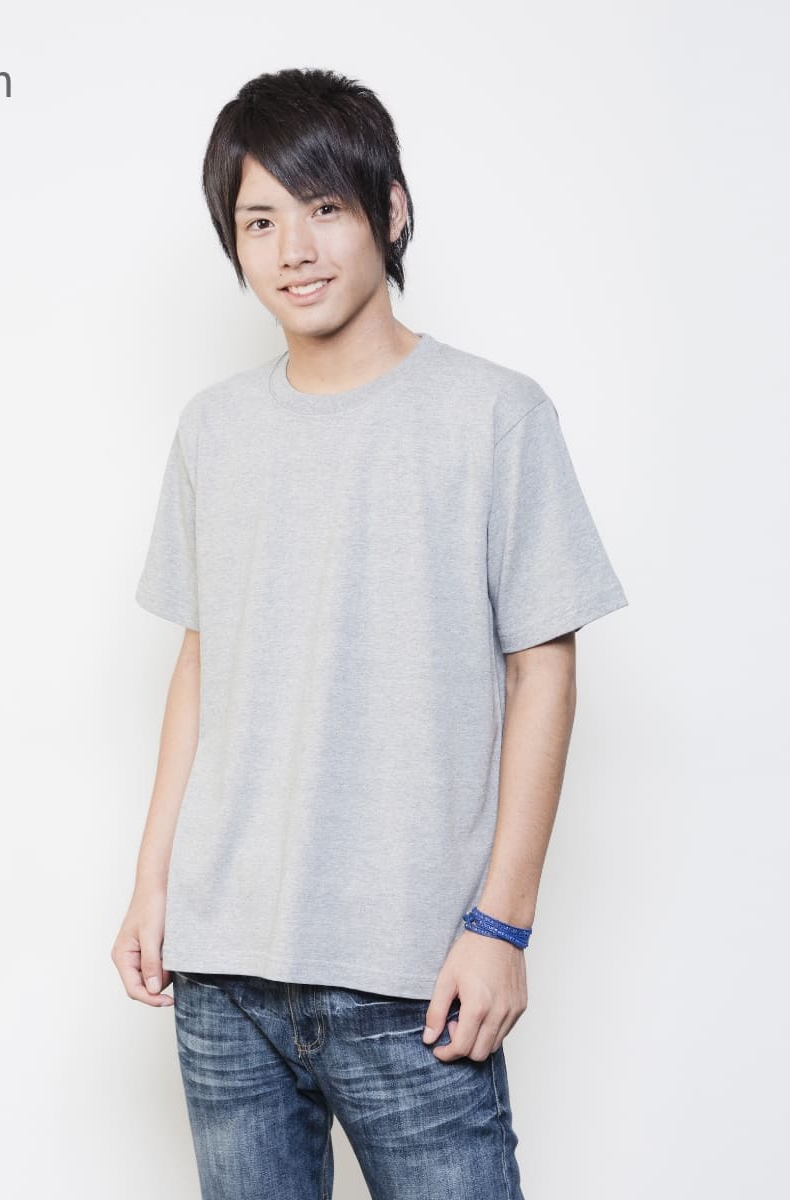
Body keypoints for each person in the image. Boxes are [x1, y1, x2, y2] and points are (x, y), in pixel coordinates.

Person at [111, 66, 629, 1200]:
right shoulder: (213, 429)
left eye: (324, 207)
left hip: (414, 971)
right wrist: (154, 886)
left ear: (391, 212)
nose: (292, 248)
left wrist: (502, 925)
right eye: (259, 221)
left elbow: (543, 667)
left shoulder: (494, 414)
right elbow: (202, 662)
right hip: (223, 969)